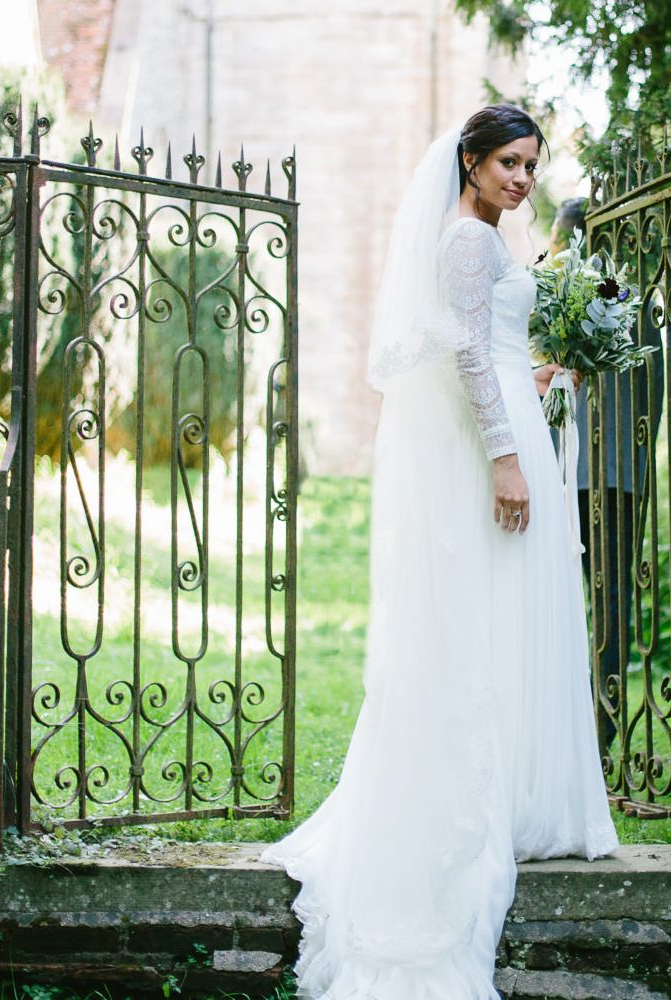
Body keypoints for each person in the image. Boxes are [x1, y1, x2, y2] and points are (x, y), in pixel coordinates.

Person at [259, 104, 618, 999]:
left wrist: (536, 376)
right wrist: (505, 457)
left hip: (511, 419)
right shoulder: (466, 239)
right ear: (469, 161)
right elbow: (463, 356)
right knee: (487, 615)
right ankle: (483, 802)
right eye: (508, 163)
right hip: (494, 448)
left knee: (511, 612)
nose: (522, 179)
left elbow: (490, 348)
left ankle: (522, 795)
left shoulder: (487, 239)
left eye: (530, 164)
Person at [547, 198, 665, 756]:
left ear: (570, 240)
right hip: (618, 474)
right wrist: (637, 457)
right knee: (610, 598)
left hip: (569, 472)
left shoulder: (561, 298)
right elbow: (654, 392)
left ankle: (575, 716)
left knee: (565, 594)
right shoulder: (631, 300)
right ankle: (602, 716)